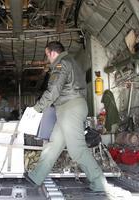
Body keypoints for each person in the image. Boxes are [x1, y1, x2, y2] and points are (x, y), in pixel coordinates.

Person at [24, 41, 108, 192]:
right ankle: (36, 176)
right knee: (54, 144)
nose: (47, 58)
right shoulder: (71, 62)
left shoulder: (61, 64)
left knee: (77, 150)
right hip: (68, 108)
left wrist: (36, 109)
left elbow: (54, 90)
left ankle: (99, 183)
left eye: (47, 54)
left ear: (51, 52)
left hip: (70, 108)